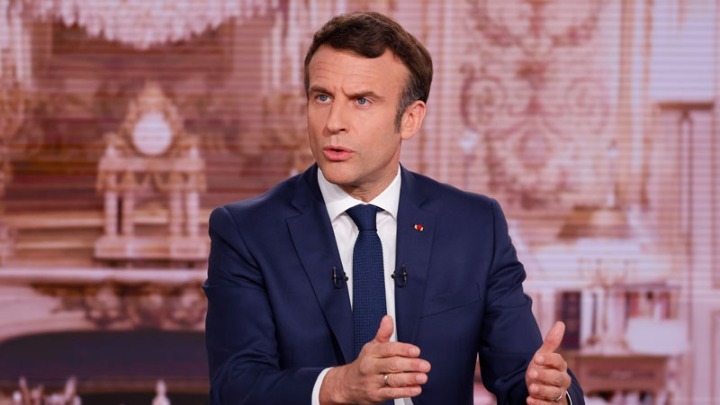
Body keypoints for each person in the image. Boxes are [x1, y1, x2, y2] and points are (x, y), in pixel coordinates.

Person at [203, 10, 585, 405]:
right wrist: (337, 386)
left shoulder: (473, 227)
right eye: (322, 97)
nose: (333, 122)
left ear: (410, 119)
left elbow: (523, 373)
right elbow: (235, 386)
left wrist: (553, 395)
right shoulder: (247, 231)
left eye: (361, 101)